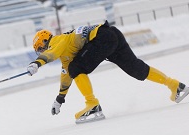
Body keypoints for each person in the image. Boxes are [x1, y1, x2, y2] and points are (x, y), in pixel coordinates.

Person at [27, 20, 189, 124]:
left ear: (45, 41)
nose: (41, 50)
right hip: (111, 33)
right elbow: (66, 74)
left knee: (76, 67)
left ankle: (92, 104)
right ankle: (175, 86)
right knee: (136, 68)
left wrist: (37, 63)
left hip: (102, 38)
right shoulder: (64, 49)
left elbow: (51, 54)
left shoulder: (57, 41)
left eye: (40, 48)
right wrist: (60, 98)